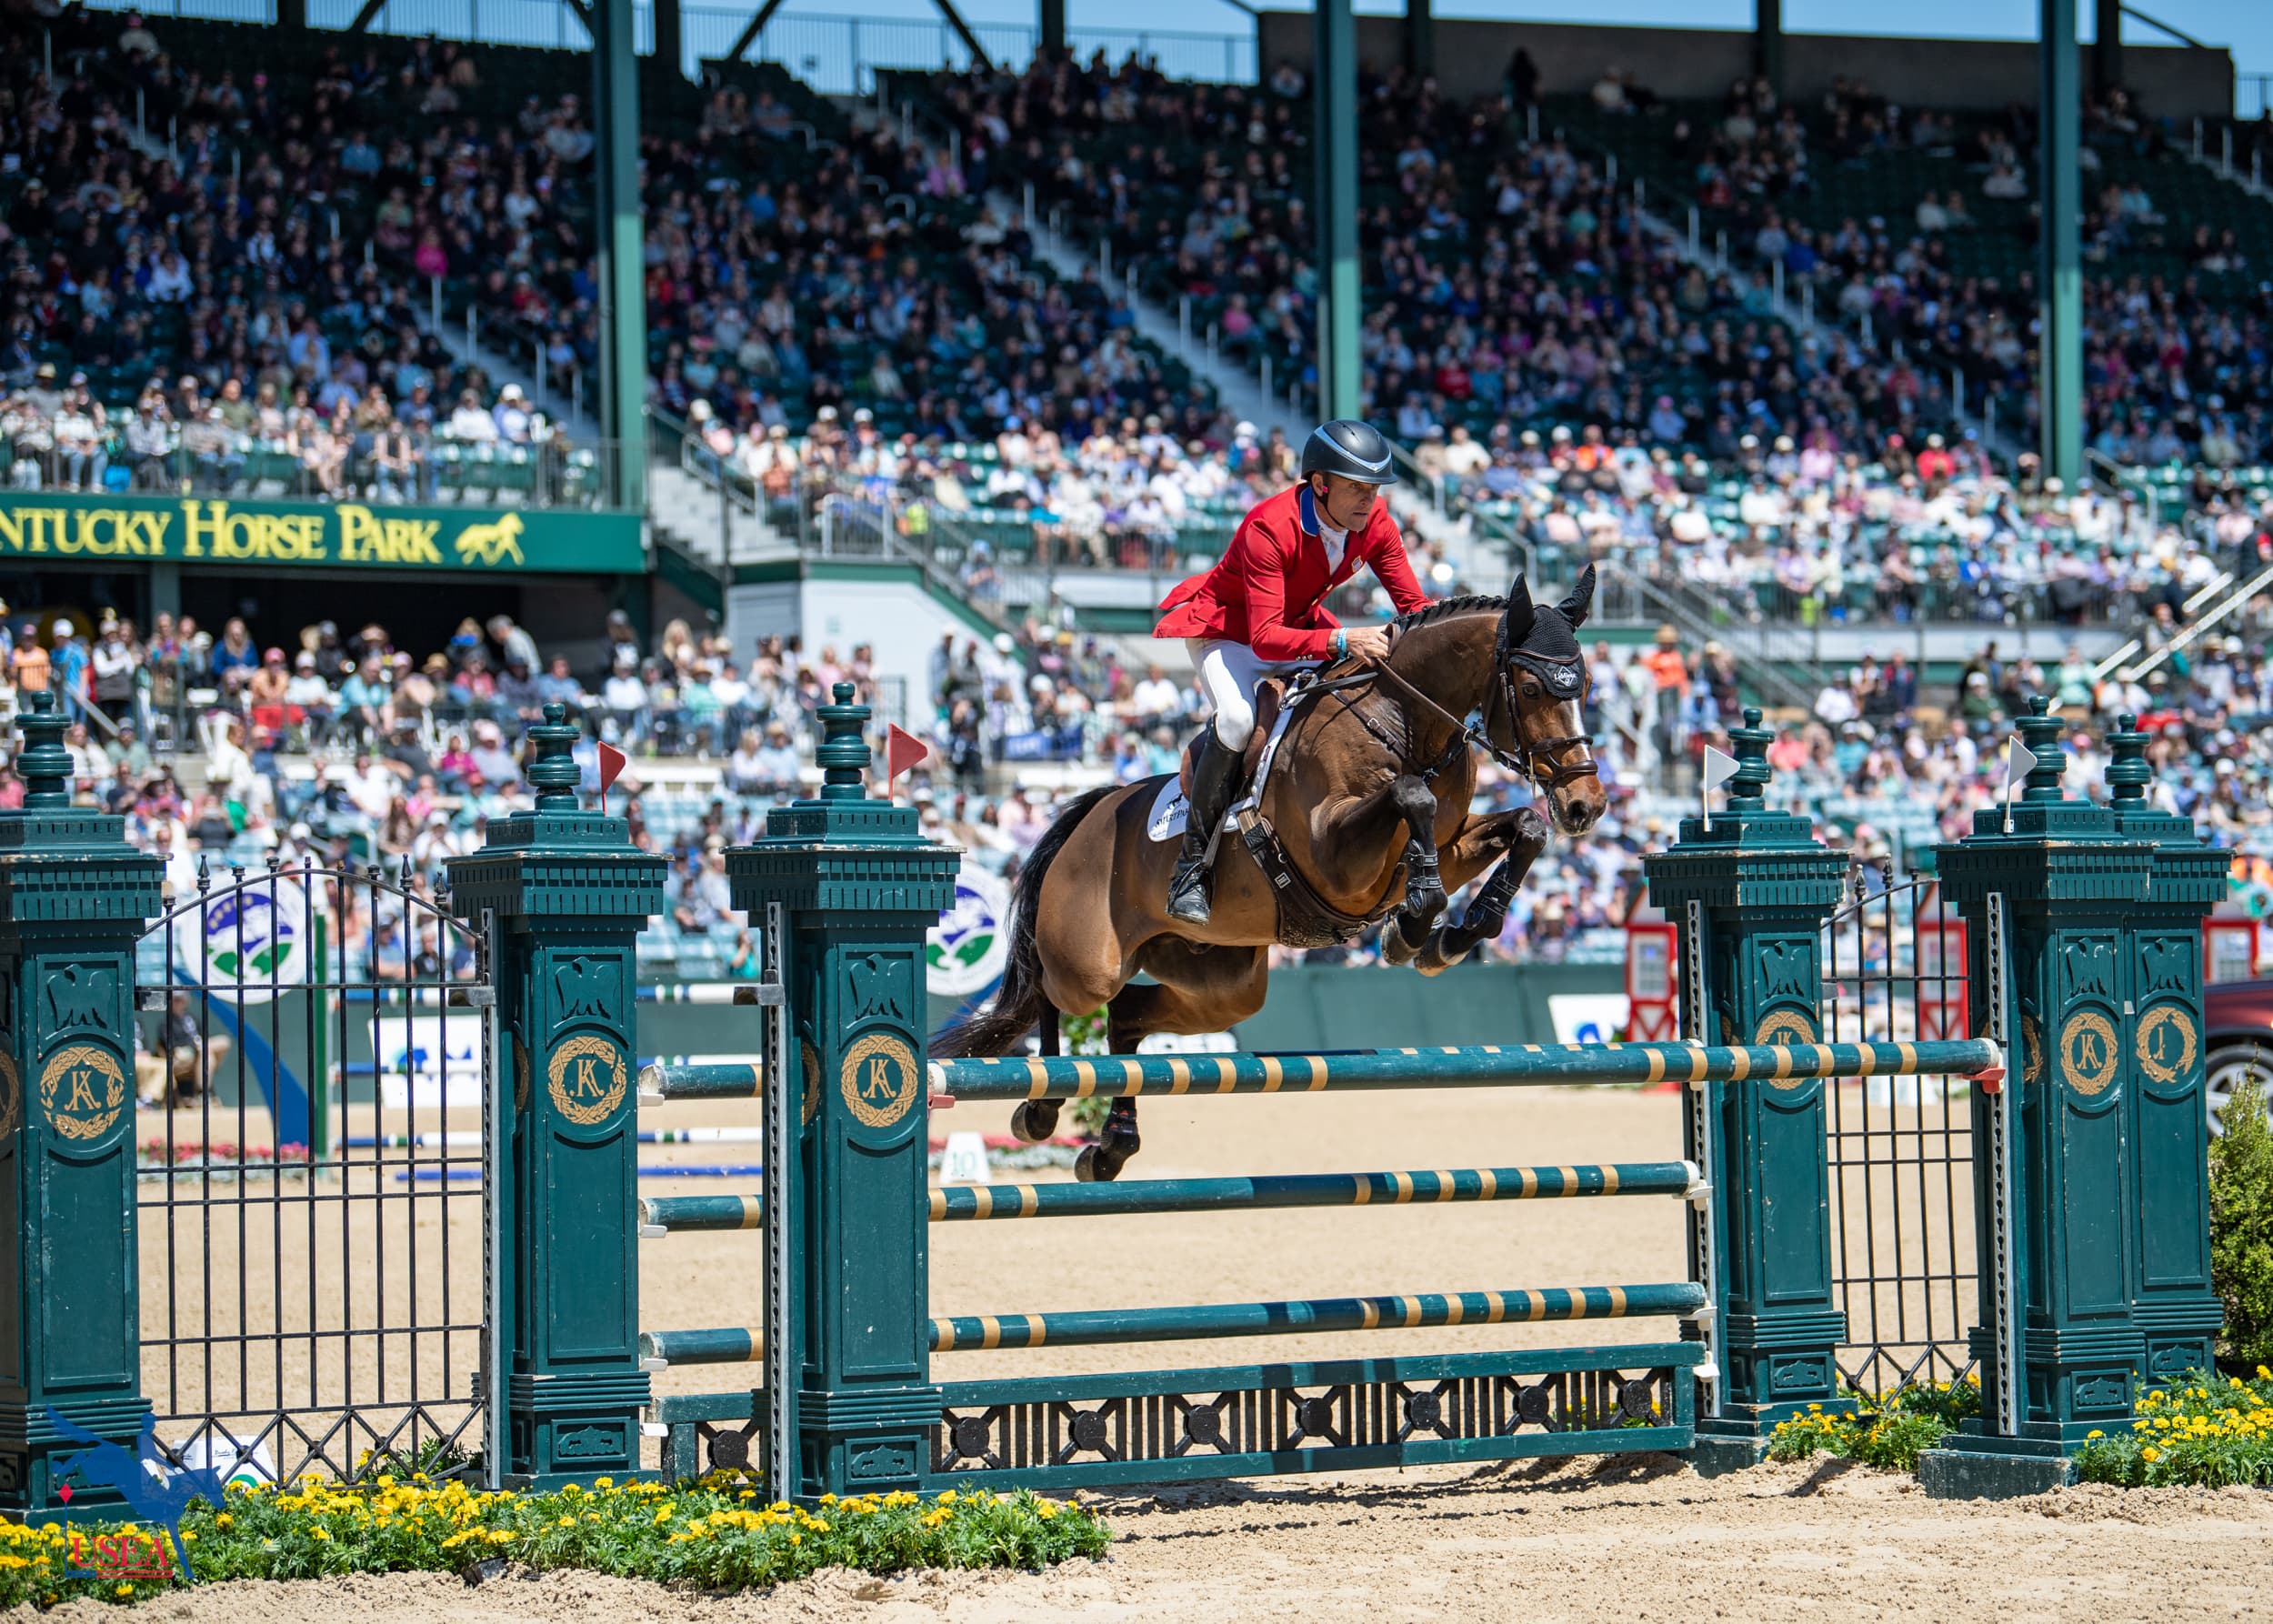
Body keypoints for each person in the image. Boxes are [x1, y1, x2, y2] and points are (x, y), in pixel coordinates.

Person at [1149, 419, 1431, 925]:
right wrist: (1344, 639)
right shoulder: (1268, 526)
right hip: (1230, 633)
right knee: (1236, 720)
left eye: (1374, 489)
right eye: (1355, 489)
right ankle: (1191, 870)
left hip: (1301, 629)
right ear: (1319, 484)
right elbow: (1264, 639)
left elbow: (1413, 606)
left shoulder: (1376, 522)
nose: (1368, 501)